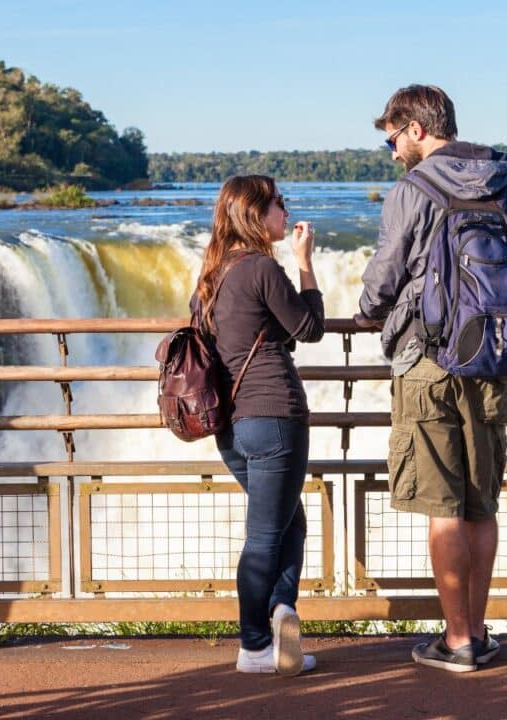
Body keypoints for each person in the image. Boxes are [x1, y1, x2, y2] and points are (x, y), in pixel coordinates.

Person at [355, 85, 507, 672]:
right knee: (481, 504)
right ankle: (480, 630)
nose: (392, 152)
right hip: (493, 358)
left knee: (443, 505)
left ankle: (458, 640)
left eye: (393, 138)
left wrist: (367, 313)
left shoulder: (412, 190)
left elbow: (384, 279)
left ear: (416, 128)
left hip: (428, 360)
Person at [193, 175, 324, 676]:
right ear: (255, 214)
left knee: (290, 523)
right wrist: (305, 262)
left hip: (230, 428)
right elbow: (310, 328)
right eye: (279, 204)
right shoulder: (261, 268)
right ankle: (254, 645)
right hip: (275, 417)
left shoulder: (211, 276)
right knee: (267, 535)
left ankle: (281, 615)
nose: (286, 213)